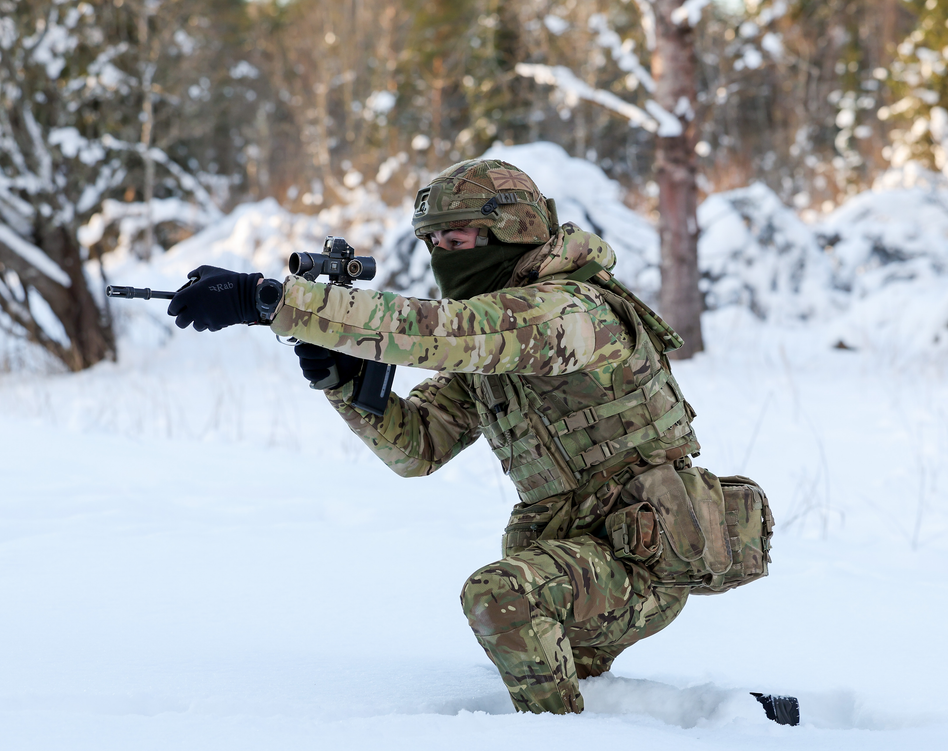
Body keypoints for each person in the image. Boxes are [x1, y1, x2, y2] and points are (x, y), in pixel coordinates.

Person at [167, 158, 772, 715]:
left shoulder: (570, 311)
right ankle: (701, 722)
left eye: (454, 242)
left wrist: (270, 301)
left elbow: (442, 332)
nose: (441, 256)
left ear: (511, 231)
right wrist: (342, 383)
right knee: (564, 661)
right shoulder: (498, 338)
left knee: (501, 596)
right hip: (580, 551)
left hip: (642, 560)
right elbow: (418, 447)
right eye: (432, 243)